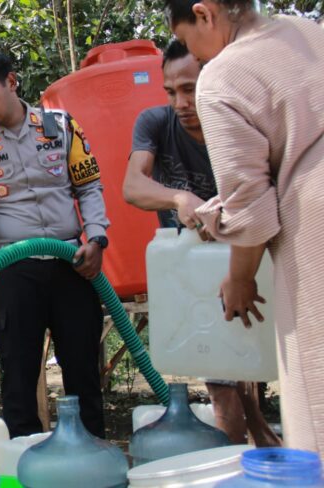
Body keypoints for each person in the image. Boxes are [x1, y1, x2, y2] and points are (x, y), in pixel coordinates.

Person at [165, 0, 324, 456]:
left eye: (186, 40)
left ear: (205, 13)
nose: (193, 55)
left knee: (316, 390)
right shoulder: (305, 31)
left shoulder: (223, 76)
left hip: (314, 223)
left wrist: (239, 279)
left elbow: (252, 210)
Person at [123, 40, 280, 447]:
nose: (180, 102)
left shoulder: (238, 122)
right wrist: (179, 198)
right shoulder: (155, 124)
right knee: (223, 383)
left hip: (251, 265)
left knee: (252, 365)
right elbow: (133, 185)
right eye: (171, 91)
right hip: (195, 278)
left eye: (190, 89)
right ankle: (244, 450)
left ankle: (260, 435)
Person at [0, 50, 110, 439]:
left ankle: (90, 461)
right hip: (13, 270)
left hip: (71, 263)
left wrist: (98, 239)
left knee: (83, 373)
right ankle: (23, 461)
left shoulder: (59, 126)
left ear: (11, 81)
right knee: (18, 378)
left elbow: (88, 186)